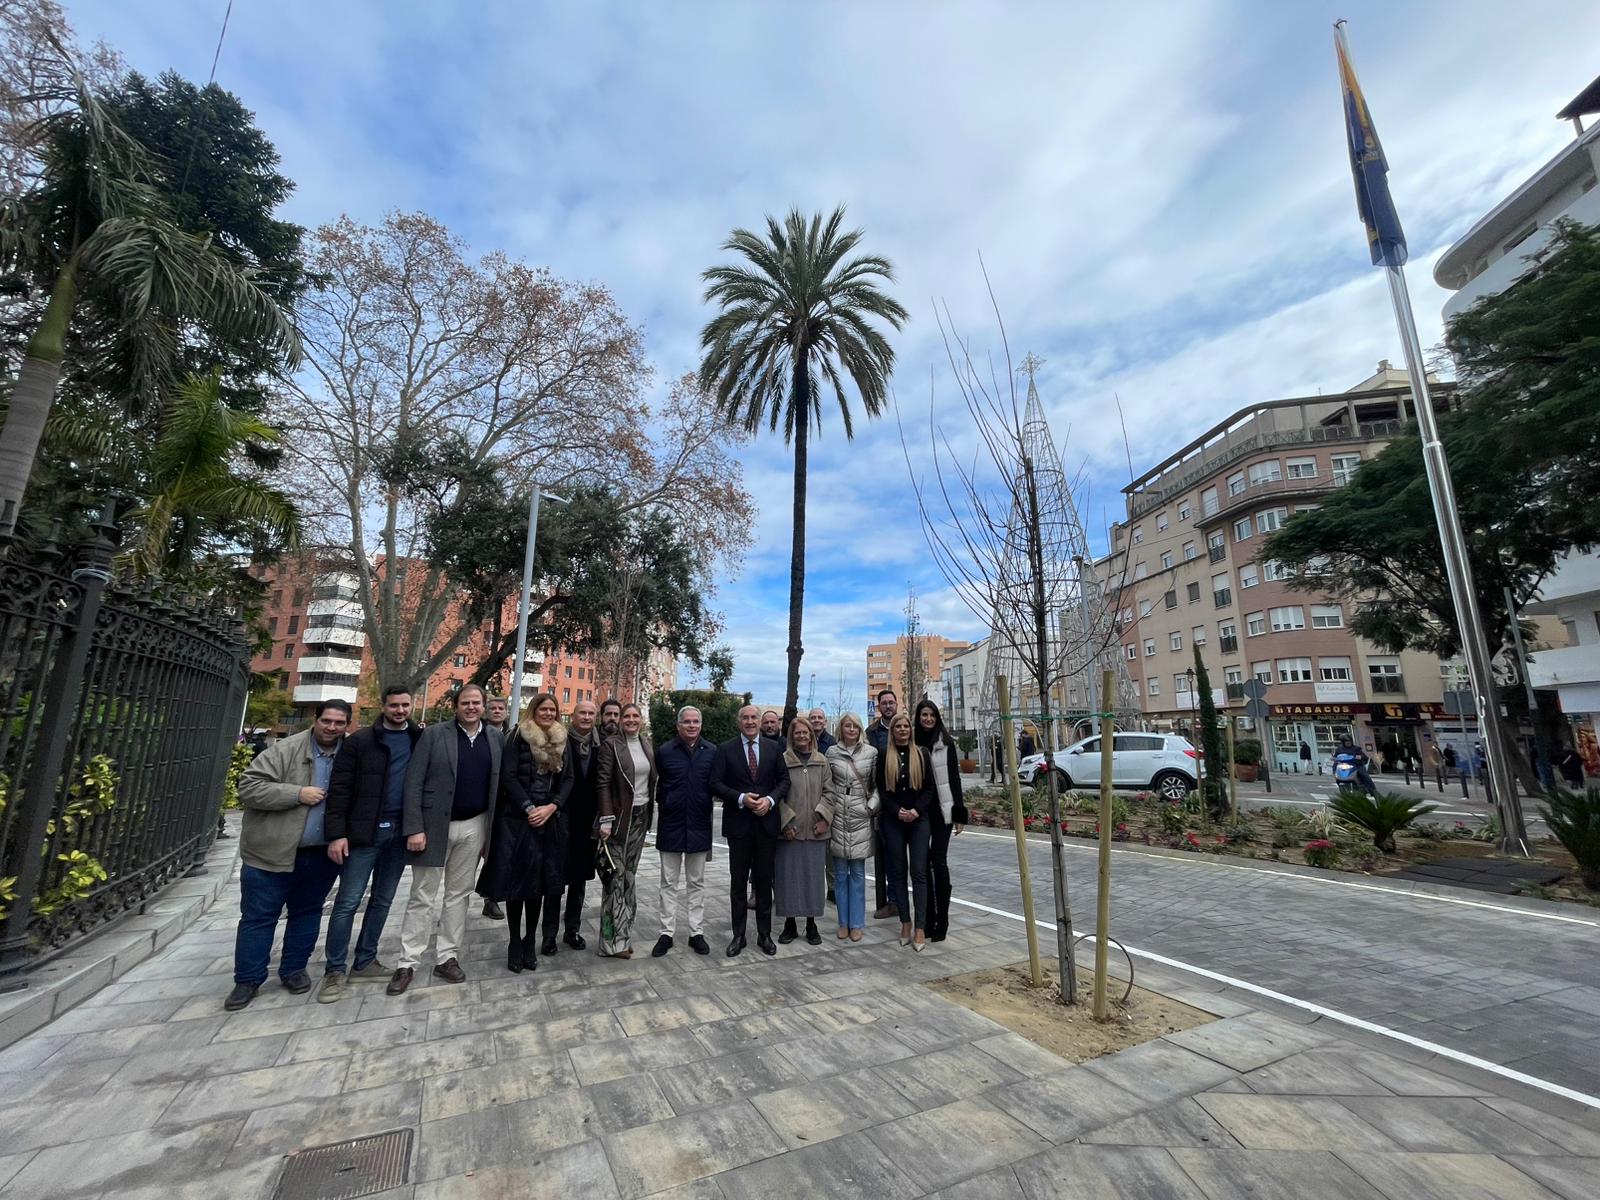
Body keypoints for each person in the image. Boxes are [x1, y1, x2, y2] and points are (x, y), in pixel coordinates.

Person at [225, 699, 350, 1011]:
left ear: (347, 725)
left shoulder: (350, 754)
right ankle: (248, 979)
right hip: (270, 852)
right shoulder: (285, 750)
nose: (332, 727)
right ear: (316, 720)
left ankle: (294, 969)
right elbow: (249, 787)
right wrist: (296, 793)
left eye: (339, 723)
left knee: (307, 913)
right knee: (258, 917)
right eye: (327, 721)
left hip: (320, 855)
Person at [389, 684, 502, 994]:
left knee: (458, 894)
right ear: (456, 706)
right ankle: (407, 962)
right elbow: (413, 781)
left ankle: (447, 957)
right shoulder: (434, 735)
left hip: (475, 825)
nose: (471, 707)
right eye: (465, 702)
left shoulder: (495, 738)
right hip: (433, 826)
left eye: (476, 702)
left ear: (484, 706)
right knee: (422, 896)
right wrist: (414, 828)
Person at [318, 686, 419, 1004]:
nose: (400, 710)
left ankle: (365, 960)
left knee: (383, 900)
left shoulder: (418, 738)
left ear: (411, 705)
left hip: (399, 834)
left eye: (405, 705)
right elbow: (340, 789)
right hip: (363, 834)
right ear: (383, 706)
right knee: (348, 902)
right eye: (394, 705)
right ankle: (335, 969)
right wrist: (337, 834)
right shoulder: (360, 741)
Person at [477, 692, 571, 973]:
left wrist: (552, 807)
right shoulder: (519, 735)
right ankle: (515, 941)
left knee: (538, 887)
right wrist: (529, 807)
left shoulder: (561, 738)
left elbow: (568, 779)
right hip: (518, 821)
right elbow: (509, 776)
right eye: (543, 709)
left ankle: (530, 940)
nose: (548, 713)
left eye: (552, 709)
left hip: (549, 820)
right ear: (534, 710)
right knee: (517, 886)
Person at [711, 703, 789, 957]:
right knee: (738, 884)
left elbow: (784, 781)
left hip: (766, 824)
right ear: (739, 722)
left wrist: (770, 800)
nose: (750, 721)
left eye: (754, 717)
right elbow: (715, 783)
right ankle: (739, 935)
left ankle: (764, 935)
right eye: (745, 718)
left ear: (760, 721)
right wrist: (741, 798)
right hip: (739, 826)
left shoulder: (774, 748)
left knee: (765, 882)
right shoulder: (725, 749)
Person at [652, 705, 717, 957]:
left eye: (695, 722)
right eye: (687, 722)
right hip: (671, 824)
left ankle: (696, 932)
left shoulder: (711, 751)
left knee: (696, 882)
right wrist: (668, 803)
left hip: (699, 824)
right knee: (668, 882)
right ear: (678, 725)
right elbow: (659, 786)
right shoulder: (665, 751)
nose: (691, 725)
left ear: (701, 725)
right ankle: (666, 933)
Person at [595, 702, 657, 958]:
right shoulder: (611, 745)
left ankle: (624, 935)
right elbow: (602, 783)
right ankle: (610, 942)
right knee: (615, 880)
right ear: (620, 720)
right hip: (618, 820)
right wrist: (606, 819)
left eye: (635, 716)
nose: (631, 720)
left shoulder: (646, 743)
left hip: (640, 819)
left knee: (629, 879)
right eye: (627, 716)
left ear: (641, 719)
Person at [877, 711, 934, 952]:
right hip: (894, 821)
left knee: (919, 872)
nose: (902, 730)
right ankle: (905, 922)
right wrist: (897, 811)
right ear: (892, 731)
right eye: (898, 726)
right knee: (897, 873)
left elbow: (929, 788)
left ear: (911, 730)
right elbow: (881, 790)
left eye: (906, 726)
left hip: (919, 821)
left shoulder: (922, 753)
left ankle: (920, 926)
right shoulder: (884, 755)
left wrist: (916, 811)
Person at [775, 715, 832, 946]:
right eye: (797, 732)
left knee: (813, 879)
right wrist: (786, 823)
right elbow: (776, 794)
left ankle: (811, 924)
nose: (801, 736)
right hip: (790, 831)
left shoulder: (821, 761)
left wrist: (824, 818)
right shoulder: (782, 760)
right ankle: (789, 924)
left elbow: (830, 792)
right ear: (791, 735)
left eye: (805, 732)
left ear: (811, 735)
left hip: (816, 830)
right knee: (788, 878)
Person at [914, 699, 968, 943]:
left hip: (942, 809)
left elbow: (955, 779)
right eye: (924, 715)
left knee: (939, 861)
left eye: (932, 715)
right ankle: (926, 919)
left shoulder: (945, 743)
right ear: (918, 717)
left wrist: (959, 815)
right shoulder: (913, 742)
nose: (928, 719)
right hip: (920, 810)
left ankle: (942, 921)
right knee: (921, 865)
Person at [825, 713, 878, 942]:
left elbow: (878, 785)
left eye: (855, 726)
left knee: (857, 873)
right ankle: (843, 922)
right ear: (841, 728)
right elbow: (826, 784)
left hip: (860, 815)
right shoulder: (831, 752)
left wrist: (870, 808)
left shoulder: (871, 753)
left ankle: (856, 923)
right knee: (839, 874)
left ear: (860, 729)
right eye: (848, 725)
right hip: (838, 814)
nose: (852, 729)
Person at [560, 698, 603, 949]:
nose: (587, 717)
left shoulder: (601, 745)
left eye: (591, 713)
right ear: (573, 716)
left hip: (587, 823)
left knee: (578, 881)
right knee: (555, 878)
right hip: (561, 818)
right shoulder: (560, 741)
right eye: (582, 713)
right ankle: (549, 934)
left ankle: (572, 930)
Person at [865, 689, 898, 920]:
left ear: (896, 704)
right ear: (879, 707)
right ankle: (888, 902)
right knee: (886, 856)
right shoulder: (871, 733)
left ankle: (906, 901)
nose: (888, 706)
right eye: (884, 703)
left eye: (891, 702)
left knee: (911, 859)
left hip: (907, 797)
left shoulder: (906, 727)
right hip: (882, 799)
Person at [480, 695, 512, 922]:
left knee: (497, 853)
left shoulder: (512, 735)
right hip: (481, 802)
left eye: (501, 708)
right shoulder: (479, 734)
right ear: (486, 711)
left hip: (504, 802)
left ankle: (491, 898)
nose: (497, 711)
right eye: (493, 708)